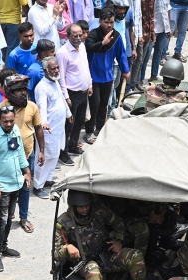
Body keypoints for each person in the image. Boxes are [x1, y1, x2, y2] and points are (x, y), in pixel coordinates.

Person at [0, 74, 44, 235]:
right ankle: (6, 214)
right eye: (19, 90)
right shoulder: (0, 108)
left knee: (25, 187)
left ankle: (24, 217)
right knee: (6, 187)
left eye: (24, 89)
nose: (23, 93)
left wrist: (42, 151)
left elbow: (38, 128)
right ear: (10, 91)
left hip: (27, 155)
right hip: (5, 160)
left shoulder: (32, 107)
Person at [84, 8, 129, 144]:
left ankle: (100, 128)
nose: (109, 25)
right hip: (93, 77)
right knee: (94, 104)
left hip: (108, 76)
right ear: (100, 21)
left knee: (104, 104)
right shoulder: (93, 34)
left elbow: (121, 54)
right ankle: (89, 131)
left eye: (111, 22)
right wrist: (103, 43)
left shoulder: (116, 36)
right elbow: (89, 47)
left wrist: (125, 70)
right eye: (106, 22)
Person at [33, 56, 71, 198]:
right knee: (44, 157)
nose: (56, 71)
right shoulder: (42, 87)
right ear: (45, 70)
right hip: (47, 130)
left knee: (54, 156)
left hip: (58, 128)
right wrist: (44, 123)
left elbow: (61, 99)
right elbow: (41, 107)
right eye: (53, 68)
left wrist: (68, 113)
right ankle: (38, 186)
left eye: (57, 68)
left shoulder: (55, 82)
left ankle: (48, 180)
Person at [57, 23, 92, 158]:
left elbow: (85, 66)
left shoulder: (82, 47)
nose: (79, 38)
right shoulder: (63, 53)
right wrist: (66, 97)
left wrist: (90, 84)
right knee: (68, 125)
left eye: (80, 35)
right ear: (68, 36)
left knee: (79, 122)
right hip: (72, 94)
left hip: (83, 92)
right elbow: (61, 77)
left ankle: (73, 146)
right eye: (75, 35)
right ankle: (63, 152)